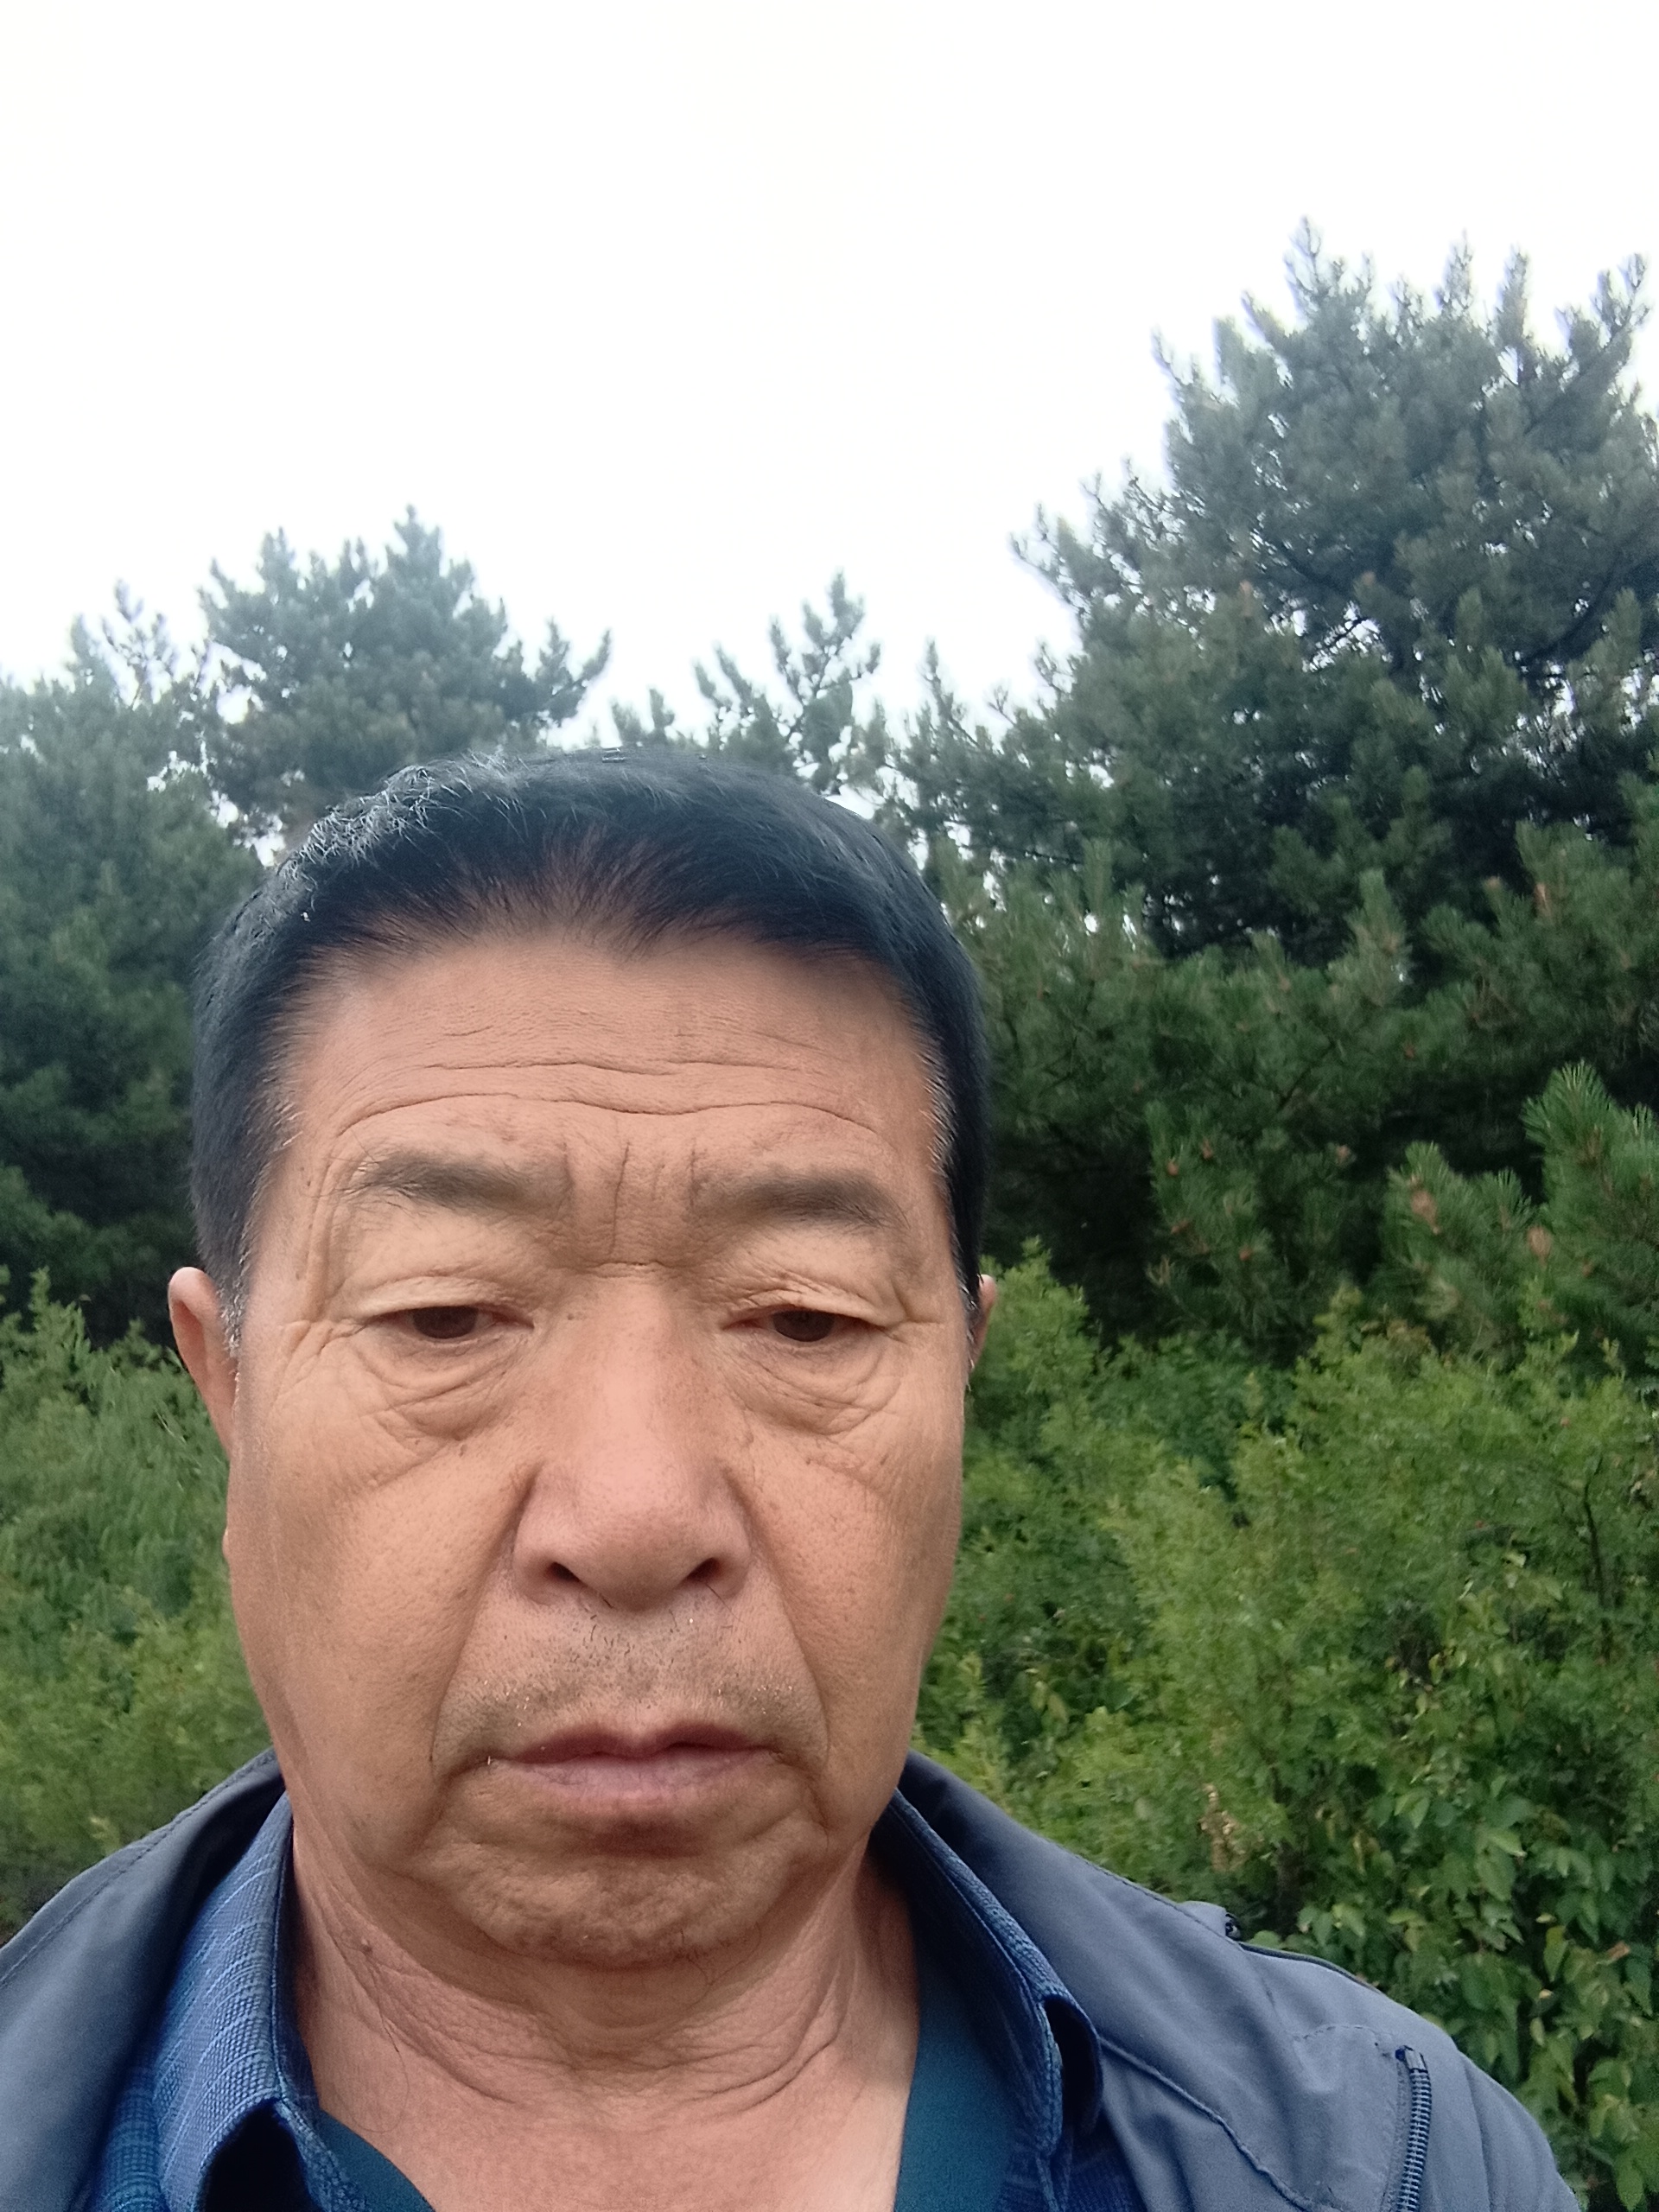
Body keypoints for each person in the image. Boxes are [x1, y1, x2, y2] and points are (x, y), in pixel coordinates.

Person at [0, 753, 1571, 2212]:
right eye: (445, 1313)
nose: (636, 1519)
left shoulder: (1391, 2162)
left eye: (806, 1319)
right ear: (228, 1384)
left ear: (960, 1369)